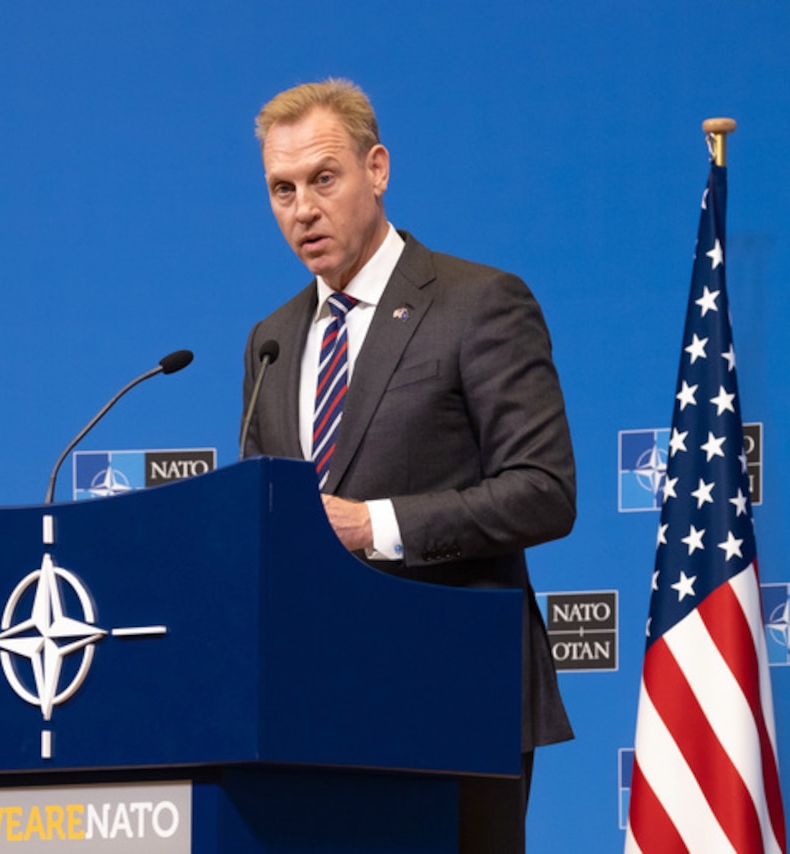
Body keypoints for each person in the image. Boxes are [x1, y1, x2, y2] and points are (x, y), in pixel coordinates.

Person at [241, 79, 576, 852]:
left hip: (457, 695)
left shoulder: (478, 301)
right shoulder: (272, 338)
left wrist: (375, 524)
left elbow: (545, 491)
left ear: (378, 168)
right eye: (282, 189)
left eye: (324, 179)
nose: (303, 208)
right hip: (315, 708)